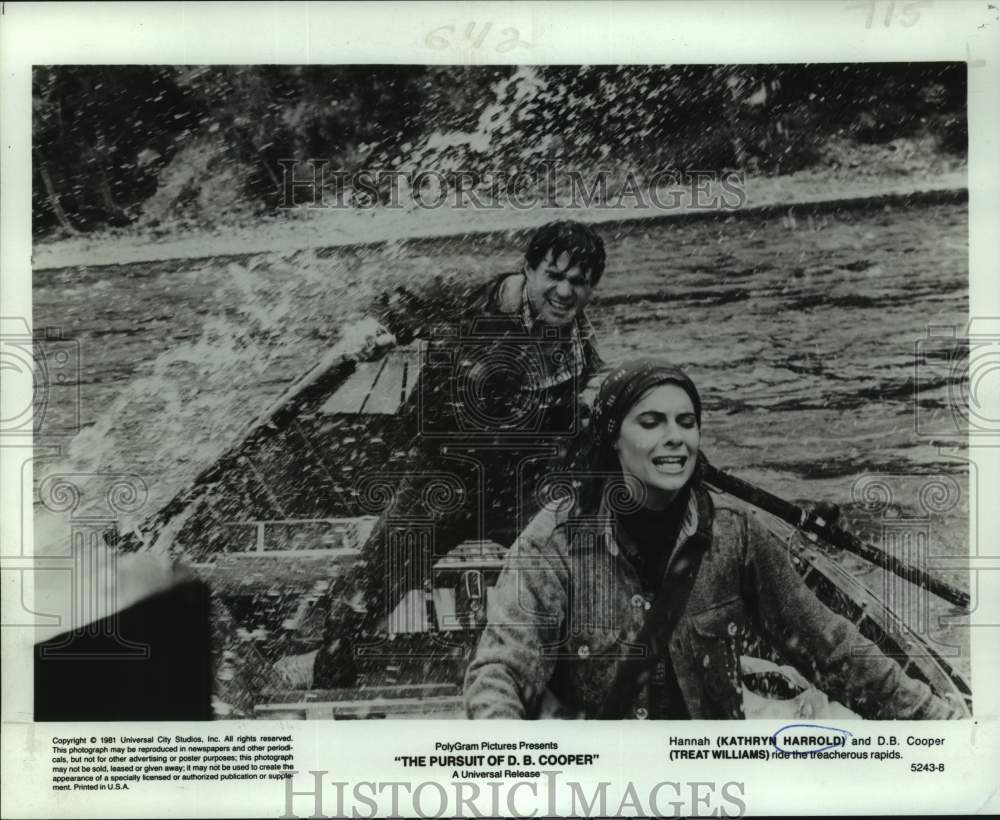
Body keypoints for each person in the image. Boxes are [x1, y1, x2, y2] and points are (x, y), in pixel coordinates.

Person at [464, 358, 962, 719]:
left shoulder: (736, 535)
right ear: (612, 438)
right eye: (651, 422)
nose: (675, 437)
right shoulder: (554, 542)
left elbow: (830, 649)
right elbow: (501, 674)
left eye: (687, 422)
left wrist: (942, 724)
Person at [312, 220, 608, 687]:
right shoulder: (470, 299)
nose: (565, 292)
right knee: (355, 604)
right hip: (443, 479)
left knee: (579, 597)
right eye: (554, 275)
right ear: (528, 270)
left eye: (578, 282)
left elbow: (595, 414)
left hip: (520, 490)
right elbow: (403, 303)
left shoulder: (581, 348)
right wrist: (375, 329)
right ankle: (328, 693)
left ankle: (558, 693)